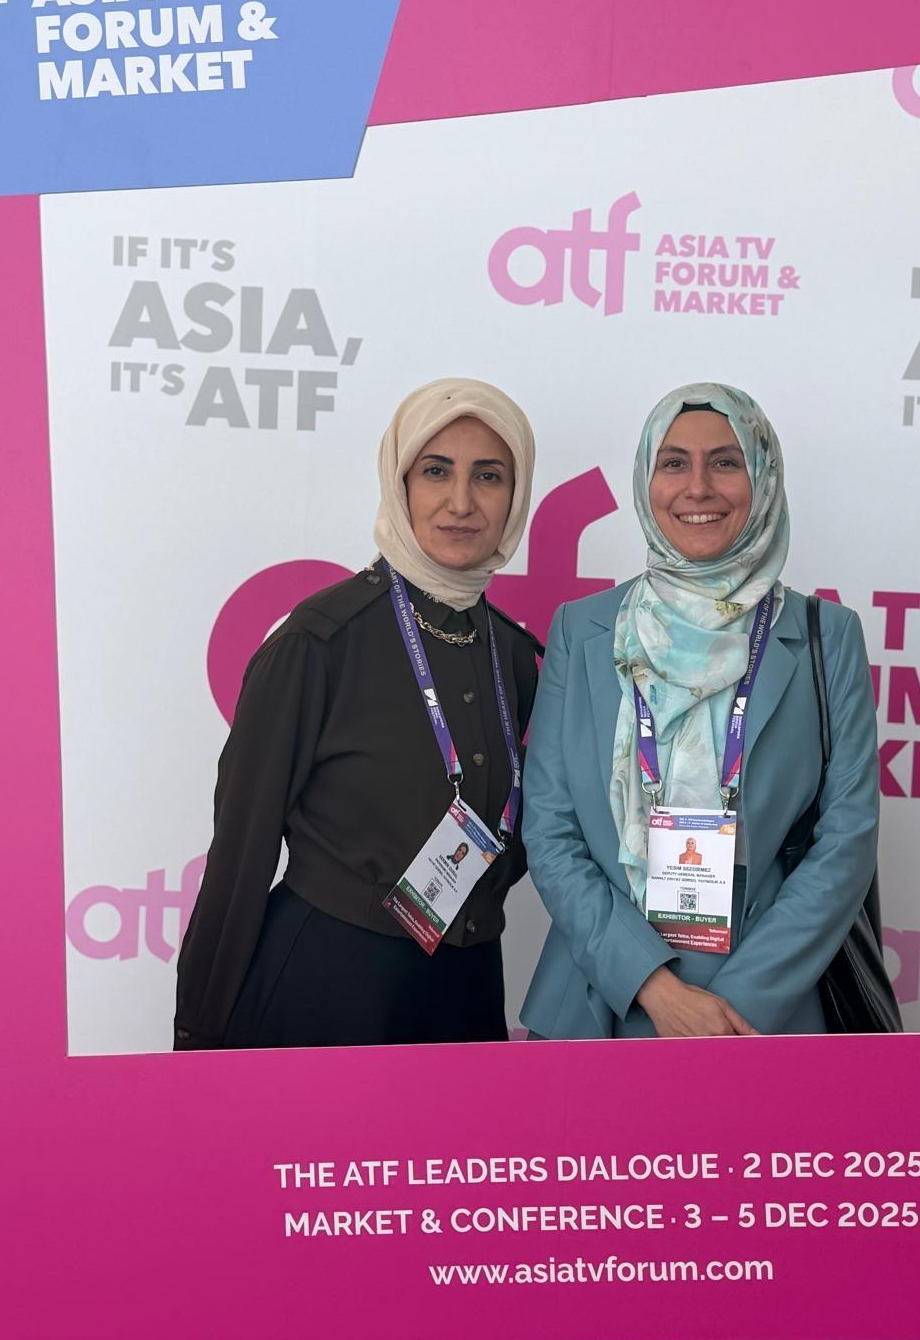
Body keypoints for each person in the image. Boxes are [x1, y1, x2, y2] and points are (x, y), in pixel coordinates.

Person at [174, 378, 539, 1050]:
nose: (461, 502)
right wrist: (198, 1038)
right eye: (436, 471)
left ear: (515, 496)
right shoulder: (319, 642)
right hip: (327, 987)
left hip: (466, 997)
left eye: (488, 476)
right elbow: (241, 852)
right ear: (400, 484)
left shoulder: (513, 655)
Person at [521, 382, 879, 1039]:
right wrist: (653, 986)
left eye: (725, 462)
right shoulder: (583, 629)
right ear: (646, 481)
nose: (698, 488)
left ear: (763, 477)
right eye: (674, 463)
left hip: (761, 1016)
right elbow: (550, 829)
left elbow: (847, 840)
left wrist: (735, 1007)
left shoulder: (827, 636)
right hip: (601, 1001)